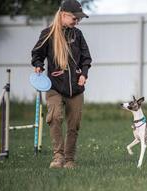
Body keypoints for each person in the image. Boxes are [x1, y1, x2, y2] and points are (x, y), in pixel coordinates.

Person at [31, 0, 92, 169]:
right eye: (74, 18)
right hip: (54, 87)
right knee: (55, 117)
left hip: (76, 89)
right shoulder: (48, 34)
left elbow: (86, 58)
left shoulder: (77, 35)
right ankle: (58, 157)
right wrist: (38, 65)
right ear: (63, 14)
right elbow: (37, 54)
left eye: (79, 19)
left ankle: (69, 159)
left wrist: (84, 74)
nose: (77, 22)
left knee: (74, 124)